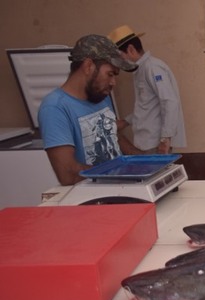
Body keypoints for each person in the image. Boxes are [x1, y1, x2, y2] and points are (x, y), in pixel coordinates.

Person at [38, 34, 142, 186]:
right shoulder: (55, 107)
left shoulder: (100, 95)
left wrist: (143, 159)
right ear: (88, 66)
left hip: (120, 186)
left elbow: (112, 134)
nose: (113, 82)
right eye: (110, 74)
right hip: (92, 200)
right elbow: (68, 175)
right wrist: (119, 173)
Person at [108, 25, 187, 154]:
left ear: (131, 49)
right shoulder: (142, 69)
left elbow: (170, 102)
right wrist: (126, 121)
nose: (121, 62)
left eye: (121, 56)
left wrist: (165, 139)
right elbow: (148, 106)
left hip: (155, 143)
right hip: (146, 142)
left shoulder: (152, 68)